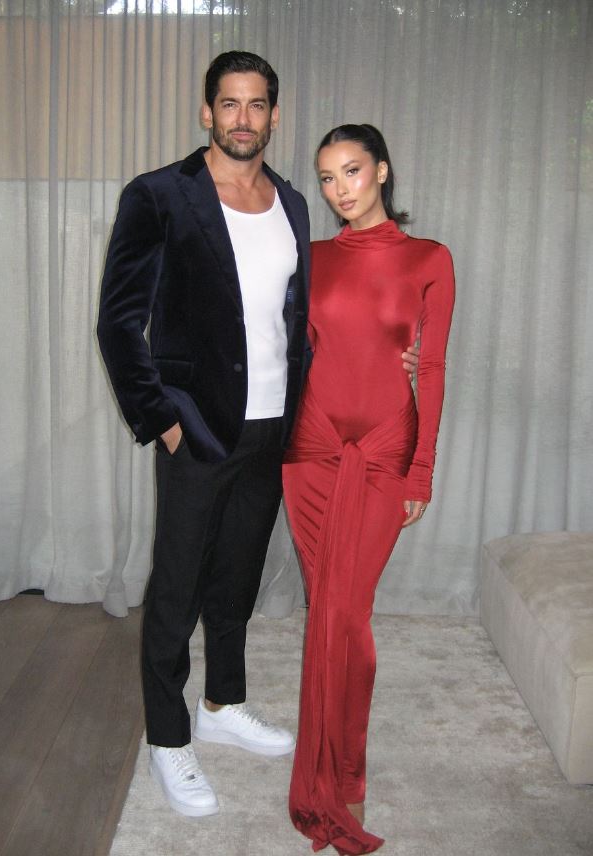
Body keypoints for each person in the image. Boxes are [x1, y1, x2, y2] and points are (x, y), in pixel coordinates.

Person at [98, 52, 419, 820]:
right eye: (229, 104)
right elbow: (119, 321)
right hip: (198, 427)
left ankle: (222, 704)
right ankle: (169, 738)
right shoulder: (159, 195)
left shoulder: (295, 203)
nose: (243, 118)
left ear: (275, 115)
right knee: (176, 586)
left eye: (257, 105)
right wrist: (163, 420)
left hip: (280, 425)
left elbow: (307, 315)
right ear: (207, 113)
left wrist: (393, 346)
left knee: (236, 578)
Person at [283, 124, 455, 854]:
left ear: (381, 170)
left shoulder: (429, 259)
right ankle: (337, 771)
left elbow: (435, 370)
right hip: (310, 452)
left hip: (384, 449)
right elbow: (289, 349)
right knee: (326, 609)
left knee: (346, 617)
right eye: (325, 177)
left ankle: (341, 769)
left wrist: (421, 469)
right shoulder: (310, 258)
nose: (338, 189)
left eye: (350, 171)